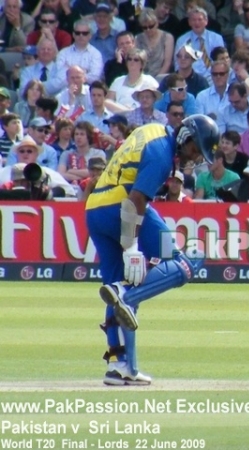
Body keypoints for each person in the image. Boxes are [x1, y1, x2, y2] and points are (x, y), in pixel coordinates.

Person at [85, 114, 219, 385]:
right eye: (194, 149)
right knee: (185, 264)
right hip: (121, 206)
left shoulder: (154, 130)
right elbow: (135, 199)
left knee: (115, 284)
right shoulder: (161, 154)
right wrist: (131, 246)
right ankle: (128, 296)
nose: (193, 158)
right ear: (184, 136)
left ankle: (120, 365)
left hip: (94, 210)